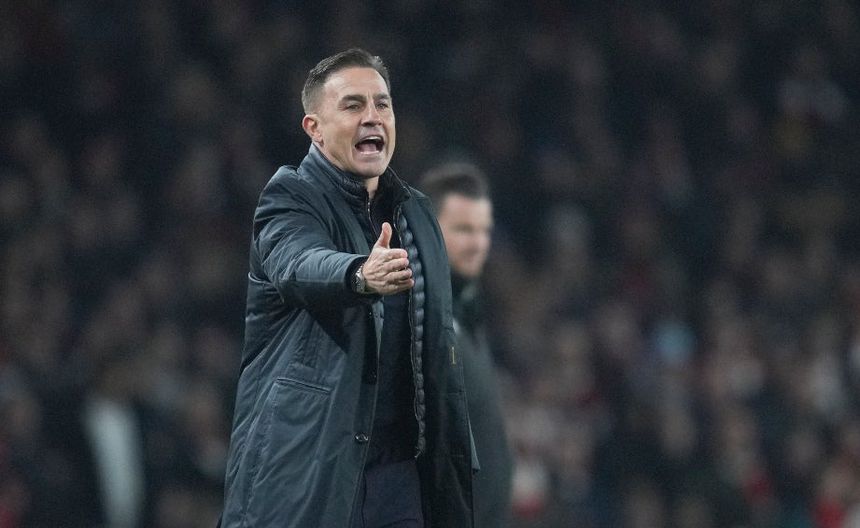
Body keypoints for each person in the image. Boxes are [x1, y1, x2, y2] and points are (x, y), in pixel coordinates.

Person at [219, 49, 475, 528]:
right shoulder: (289, 197)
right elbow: (298, 264)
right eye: (353, 105)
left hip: (402, 481)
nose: (372, 117)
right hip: (311, 476)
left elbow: (439, 351)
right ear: (314, 128)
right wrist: (359, 274)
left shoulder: (418, 214)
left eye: (382, 104)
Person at [420, 163, 514, 528]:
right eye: (463, 230)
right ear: (427, 230)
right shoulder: (418, 317)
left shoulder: (465, 310)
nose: (478, 244)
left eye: (483, 230)